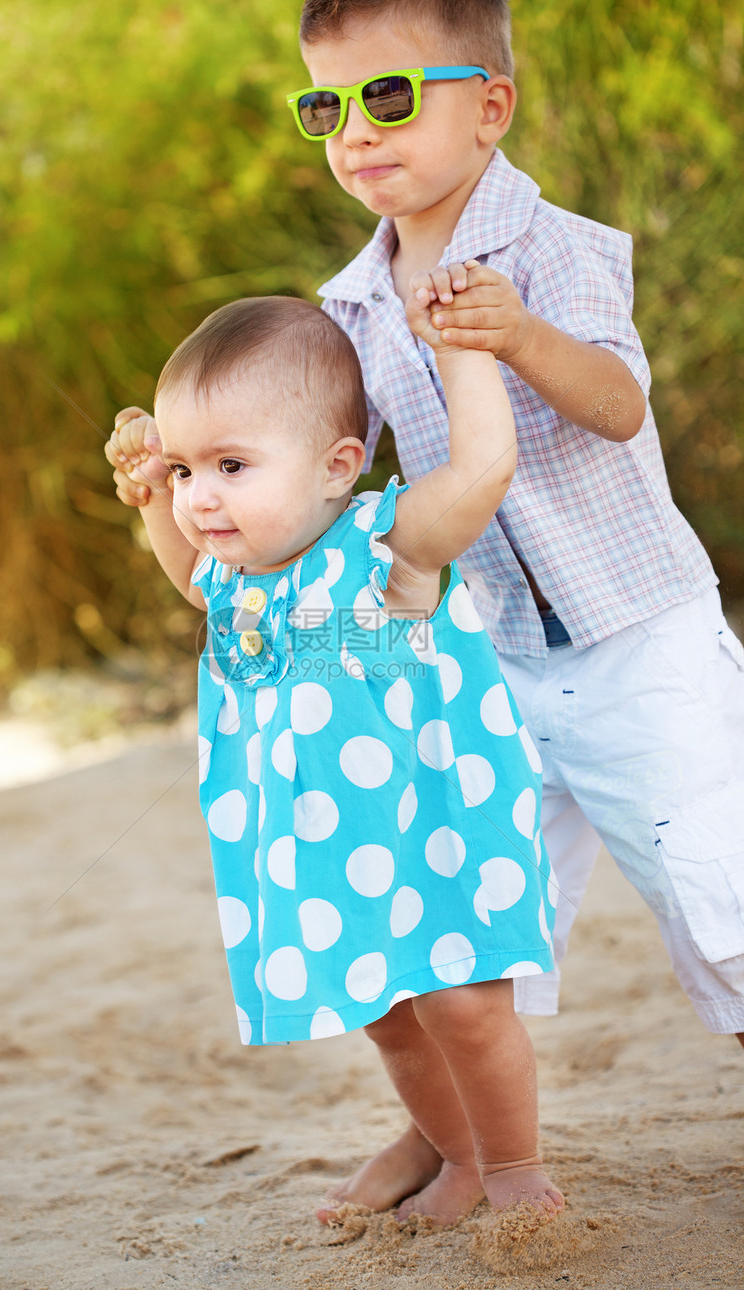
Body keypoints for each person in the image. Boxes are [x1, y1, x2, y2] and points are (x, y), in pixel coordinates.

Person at [275, 0, 744, 1223]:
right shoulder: (350, 305)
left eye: (388, 97)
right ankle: (452, 1140)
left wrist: (521, 336)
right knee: (462, 925)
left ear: (488, 106)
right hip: (475, 667)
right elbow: (319, 463)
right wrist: (188, 468)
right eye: (325, 106)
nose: (352, 134)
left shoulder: (556, 250)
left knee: (719, 893)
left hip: (638, 641)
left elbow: (616, 405)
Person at [105, 292, 566, 1228]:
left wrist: (464, 354)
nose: (203, 494)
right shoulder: (237, 581)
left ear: (338, 466)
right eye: (188, 468)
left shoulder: (382, 547)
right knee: (391, 1021)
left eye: (231, 466)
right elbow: (189, 580)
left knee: (467, 1010)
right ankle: (461, 1161)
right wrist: (153, 497)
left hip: (433, 831)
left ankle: (515, 1168)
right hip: (326, 852)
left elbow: (481, 471)